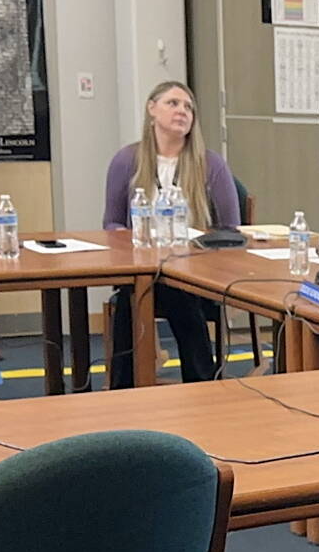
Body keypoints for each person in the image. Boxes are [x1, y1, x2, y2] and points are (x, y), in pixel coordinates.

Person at [101, 81, 240, 385]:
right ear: (152, 109)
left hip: (196, 273)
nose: (182, 111)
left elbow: (230, 227)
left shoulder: (210, 163)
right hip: (142, 267)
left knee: (178, 296)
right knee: (132, 298)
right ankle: (122, 390)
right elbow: (111, 224)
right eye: (173, 103)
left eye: (188, 107)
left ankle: (201, 387)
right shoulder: (127, 161)